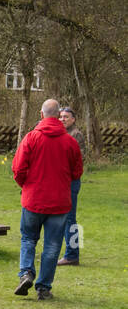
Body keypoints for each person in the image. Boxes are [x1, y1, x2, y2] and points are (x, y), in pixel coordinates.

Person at [12, 98, 83, 299]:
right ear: (58, 116)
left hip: (34, 199)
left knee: (28, 238)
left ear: (41, 115)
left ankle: (26, 272)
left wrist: (26, 186)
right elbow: (77, 172)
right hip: (59, 201)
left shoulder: (31, 138)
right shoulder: (70, 142)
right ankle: (43, 288)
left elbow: (18, 169)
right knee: (52, 245)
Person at [57, 106, 87, 266]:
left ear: (73, 119)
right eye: (61, 116)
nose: (63, 119)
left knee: (70, 219)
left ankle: (72, 255)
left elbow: (78, 159)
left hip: (71, 181)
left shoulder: (76, 135)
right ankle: (70, 253)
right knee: (64, 218)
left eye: (66, 117)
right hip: (62, 181)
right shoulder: (62, 134)